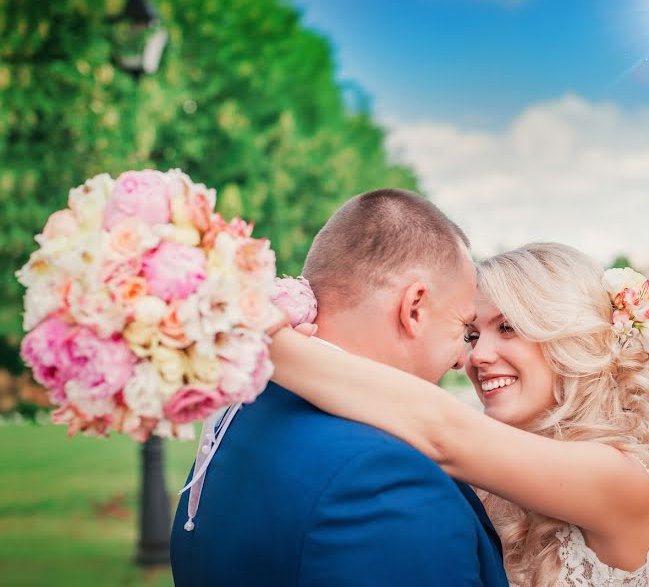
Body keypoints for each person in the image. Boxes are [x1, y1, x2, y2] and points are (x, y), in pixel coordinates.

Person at [270, 242, 649, 587]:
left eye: (508, 328)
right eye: (472, 335)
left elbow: (441, 431)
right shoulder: (490, 451)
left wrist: (261, 339)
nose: (477, 357)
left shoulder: (620, 478)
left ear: (567, 337)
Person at [170, 189, 508, 586]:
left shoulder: (241, 413)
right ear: (414, 308)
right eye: (462, 328)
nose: (460, 359)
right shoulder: (386, 482)